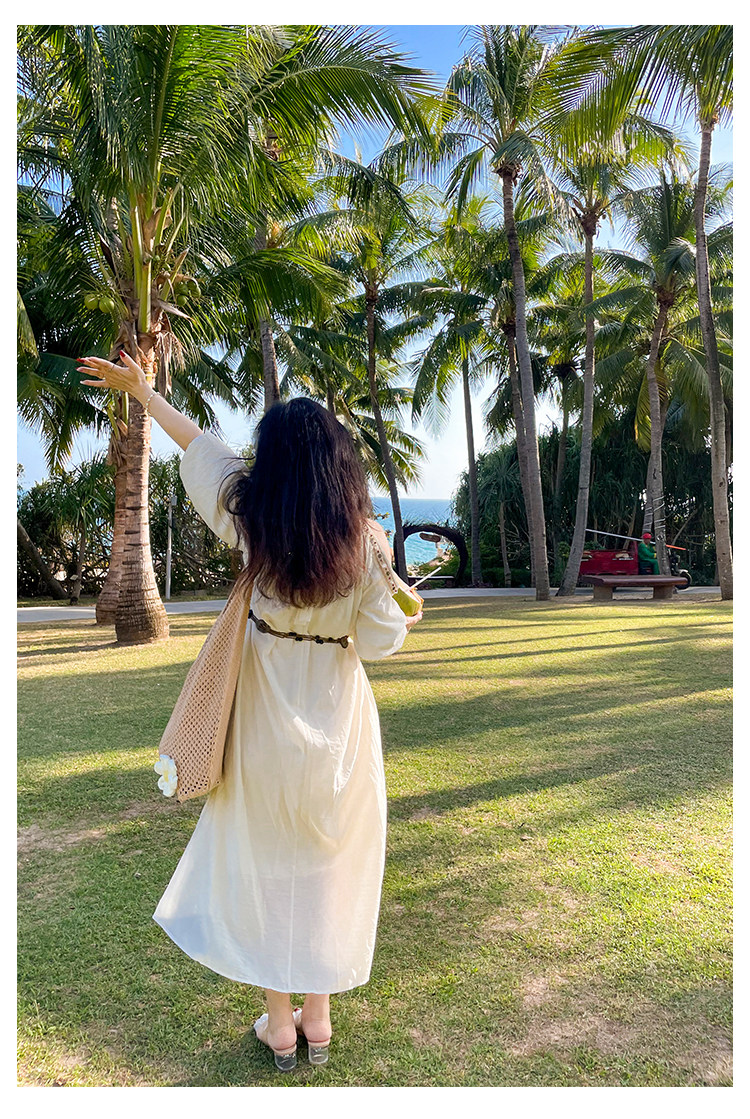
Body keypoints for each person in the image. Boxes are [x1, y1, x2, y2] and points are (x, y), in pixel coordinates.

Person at [78, 352, 422, 1072]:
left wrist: (146, 393)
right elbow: (381, 641)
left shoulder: (252, 519)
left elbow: (202, 449)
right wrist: (400, 601)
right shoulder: (364, 542)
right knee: (330, 859)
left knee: (265, 861)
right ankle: (318, 1017)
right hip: (338, 720)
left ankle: (280, 1024)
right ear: (339, 466)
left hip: (262, 716)